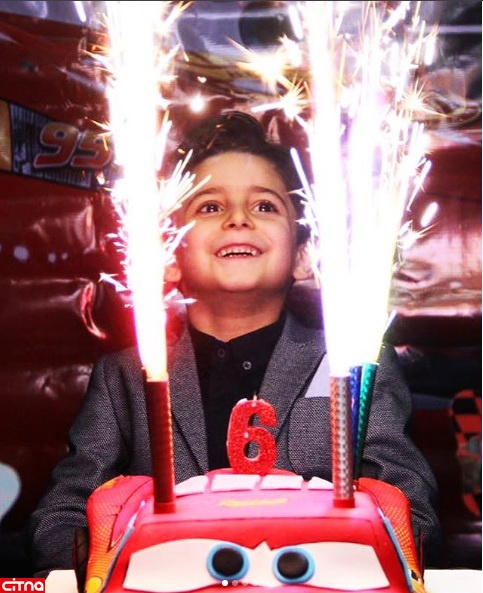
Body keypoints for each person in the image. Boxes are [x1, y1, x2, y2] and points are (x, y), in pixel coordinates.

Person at [27, 110, 442, 575]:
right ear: (170, 255)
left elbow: (411, 515)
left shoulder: (356, 362)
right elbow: (59, 520)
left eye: (265, 206)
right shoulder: (125, 374)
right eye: (210, 207)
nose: (238, 219)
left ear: (304, 255)